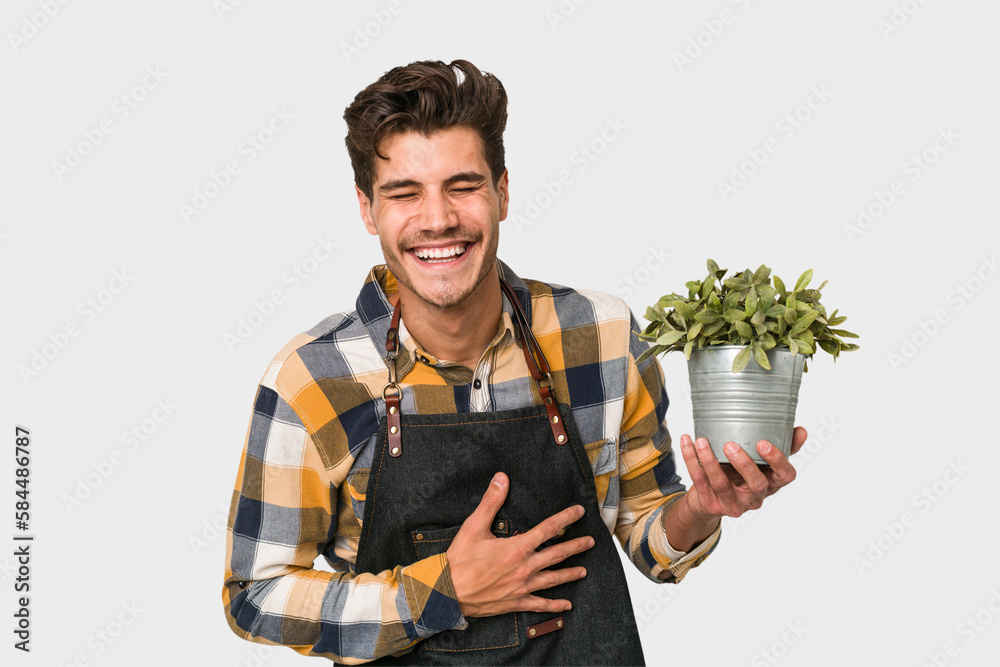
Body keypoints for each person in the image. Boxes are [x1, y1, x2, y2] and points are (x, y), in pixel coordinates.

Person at [222, 59, 805, 665]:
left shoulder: (600, 337)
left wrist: (699, 509)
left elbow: (650, 536)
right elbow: (256, 596)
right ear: (368, 210)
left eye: (463, 185)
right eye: (404, 193)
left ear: (502, 191)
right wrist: (439, 593)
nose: (438, 218)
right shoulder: (314, 378)